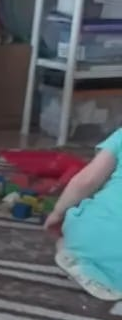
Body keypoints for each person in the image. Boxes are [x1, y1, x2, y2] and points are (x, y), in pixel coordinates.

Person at [44, 128, 122, 301]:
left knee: (66, 239)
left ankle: (80, 260)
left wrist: (57, 213)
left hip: (96, 232)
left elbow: (86, 181)